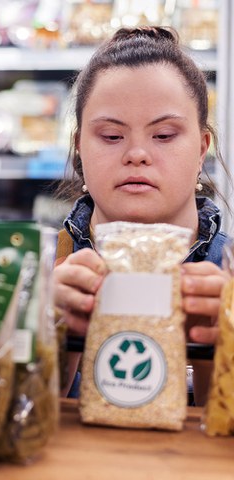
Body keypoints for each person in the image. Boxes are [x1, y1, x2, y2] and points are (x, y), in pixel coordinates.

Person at [52, 25, 232, 405]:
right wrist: (50, 336)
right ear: (79, 146)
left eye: (164, 135)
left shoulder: (228, 278)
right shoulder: (31, 275)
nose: (137, 154)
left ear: (202, 149)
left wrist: (218, 350)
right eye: (112, 137)